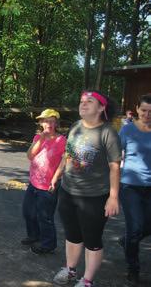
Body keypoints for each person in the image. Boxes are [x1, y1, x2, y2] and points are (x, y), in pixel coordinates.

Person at [50, 90, 121, 287]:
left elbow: (115, 166)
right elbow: (68, 155)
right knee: (72, 235)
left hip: (94, 196)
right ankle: (70, 270)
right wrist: (57, 175)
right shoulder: (75, 127)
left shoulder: (108, 132)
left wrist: (113, 197)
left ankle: (87, 280)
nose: (83, 104)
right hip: (68, 191)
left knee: (92, 239)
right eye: (82, 101)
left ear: (101, 107)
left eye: (89, 101)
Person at [22, 109, 66, 254]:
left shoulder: (61, 140)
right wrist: (41, 139)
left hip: (48, 185)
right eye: (45, 121)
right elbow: (29, 155)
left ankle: (48, 244)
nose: (48, 124)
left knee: (45, 216)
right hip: (34, 182)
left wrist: (55, 179)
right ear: (41, 123)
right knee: (28, 212)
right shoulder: (37, 137)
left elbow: (63, 162)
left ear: (56, 123)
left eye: (52, 121)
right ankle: (34, 236)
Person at [118, 94, 151, 285]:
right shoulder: (127, 130)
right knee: (135, 227)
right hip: (130, 186)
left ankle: (128, 239)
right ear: (137, 109)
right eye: (144, 110)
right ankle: (133, 268)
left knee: (141, 229)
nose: (147, 114)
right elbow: (114, 155)